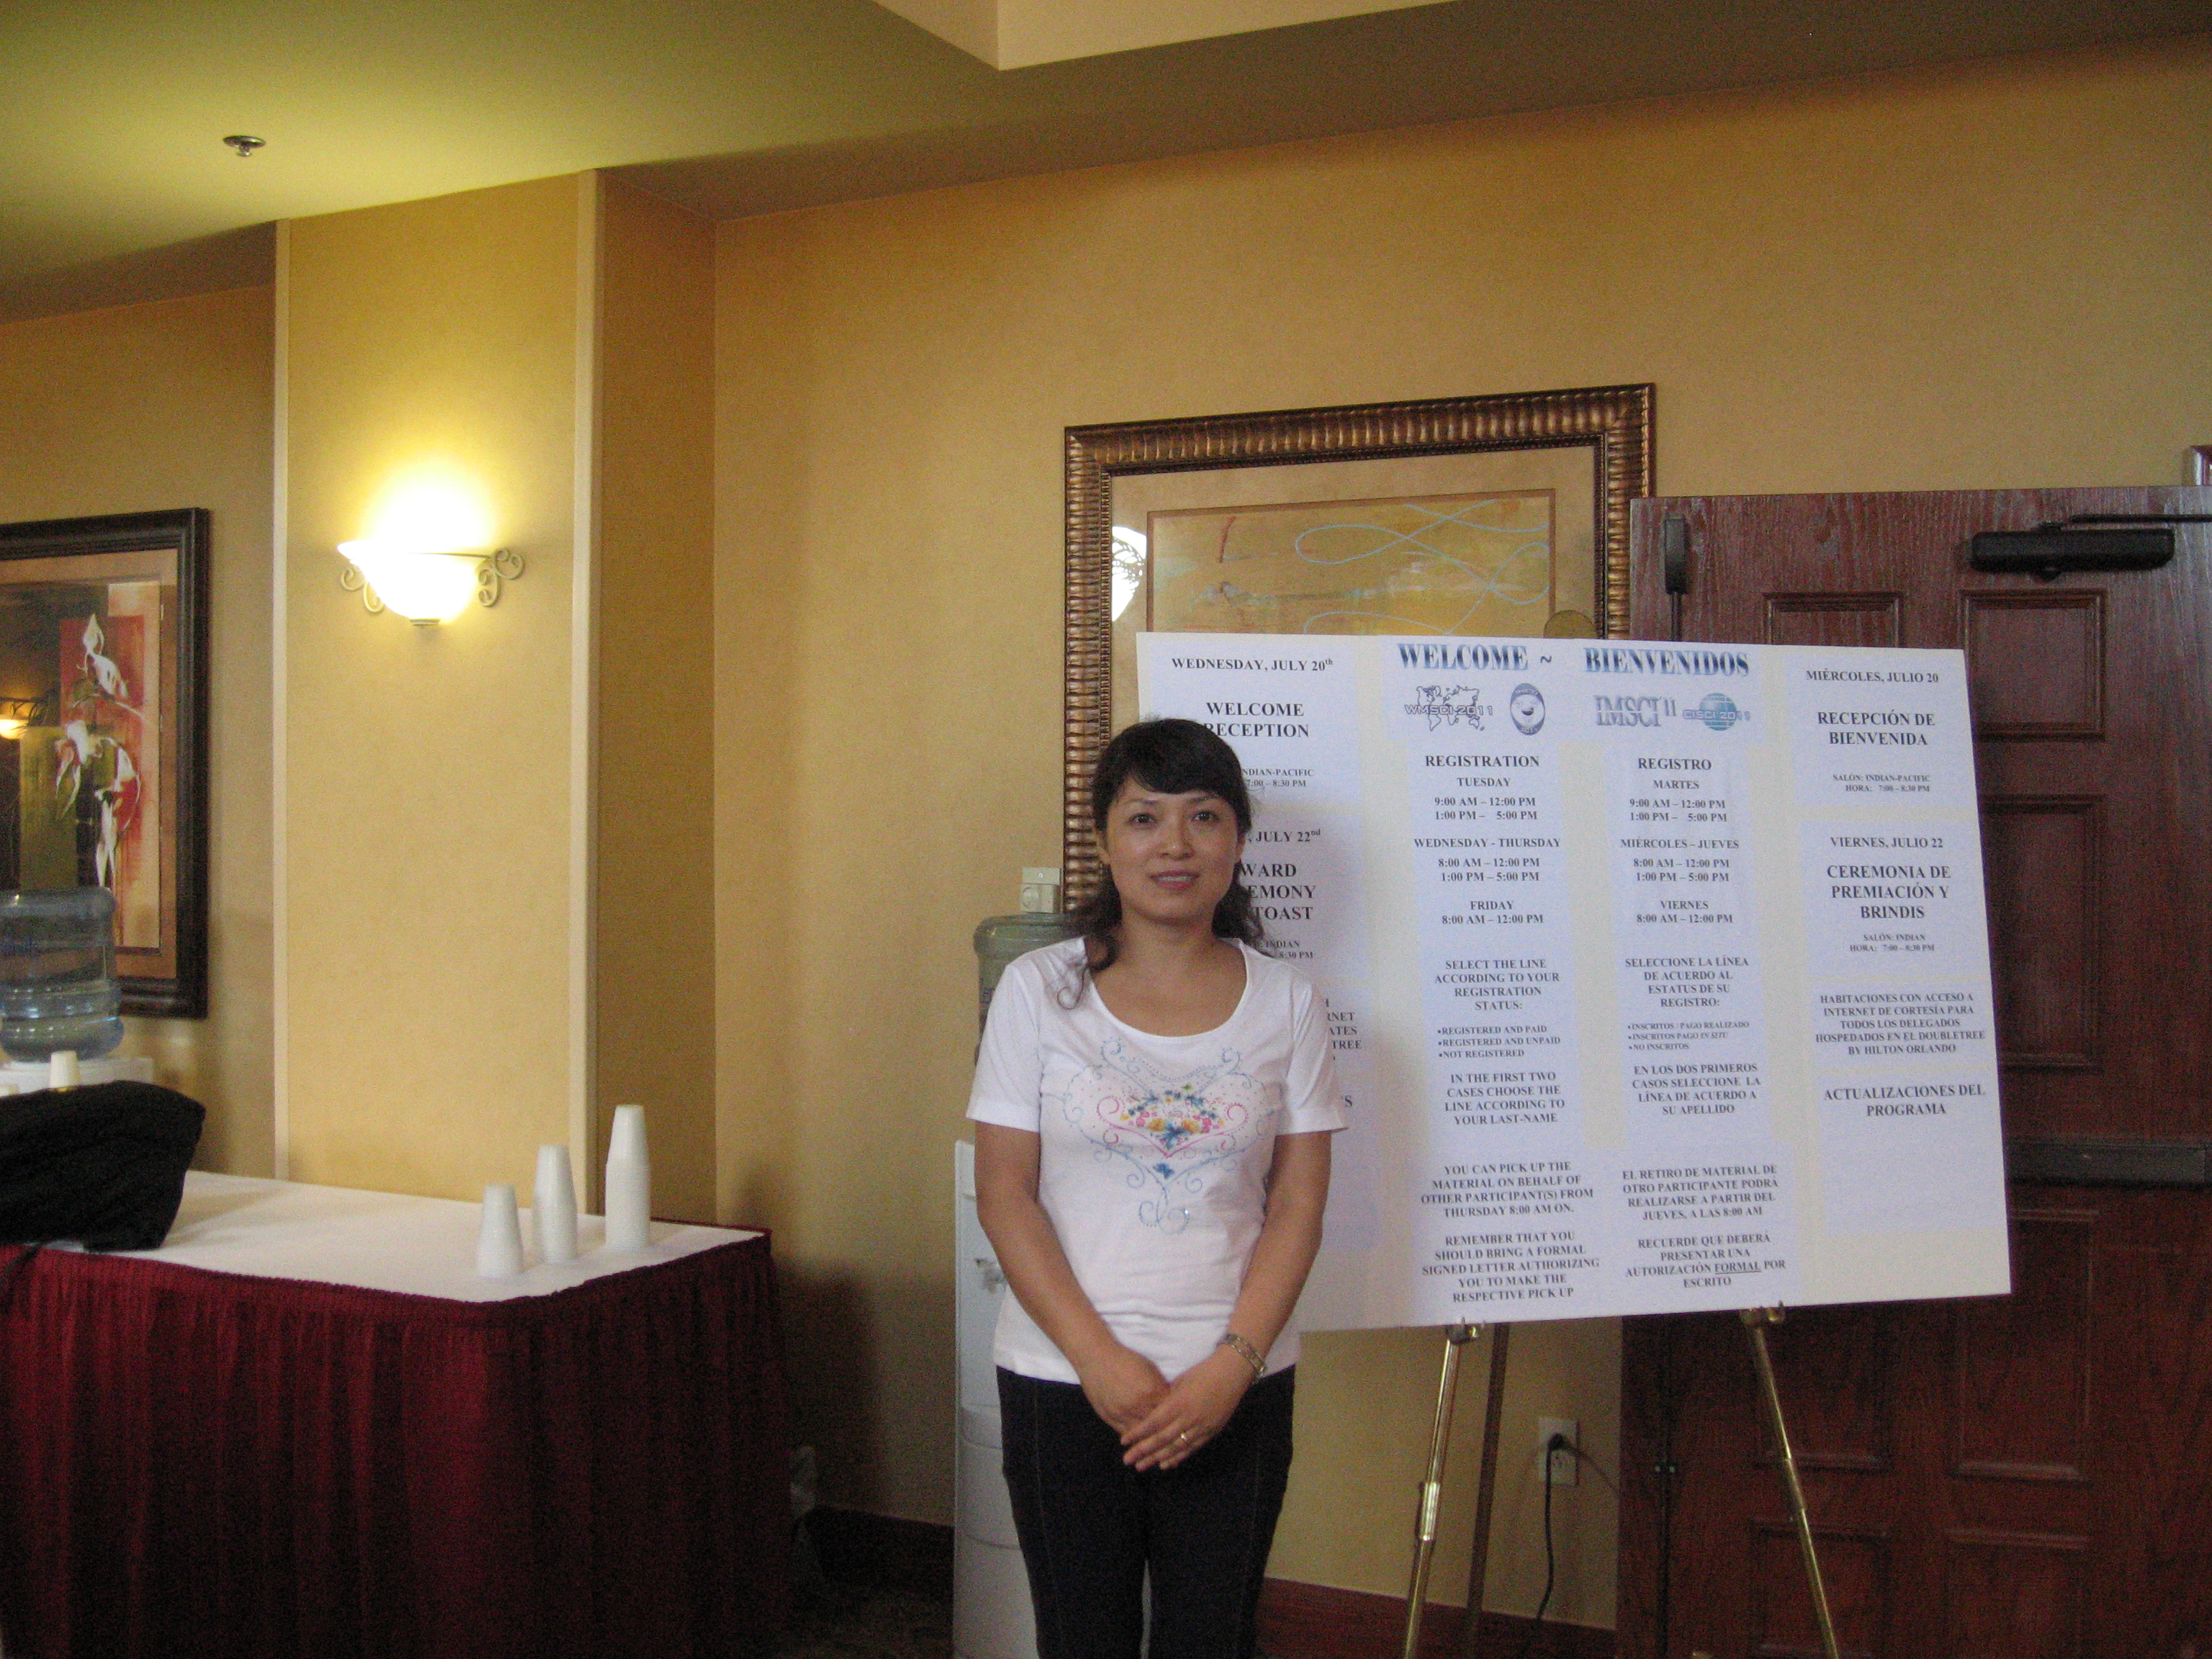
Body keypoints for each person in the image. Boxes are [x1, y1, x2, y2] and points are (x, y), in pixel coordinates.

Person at [968, 718, 1346, 1659]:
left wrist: (1232, 1366)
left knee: (1212, 1639)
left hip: (1234, 1386)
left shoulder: (1288, 1001)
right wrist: (1098, 1359)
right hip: (1063, 1380)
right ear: (1104, 842)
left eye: (1204, 817)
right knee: (1081, 1639)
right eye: (1145, 818)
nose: (1175, 845)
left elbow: (1297, 1208)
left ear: (1239, 840)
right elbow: (1006, 1194)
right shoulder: (1036, 990)